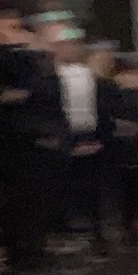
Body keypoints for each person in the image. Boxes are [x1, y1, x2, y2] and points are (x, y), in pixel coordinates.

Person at [0, 0, 67, 275]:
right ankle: (21, 262)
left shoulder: (31, 57)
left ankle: (37, 254)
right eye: (5, 21)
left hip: (40, 142)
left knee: (40, 204)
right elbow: (10, 96)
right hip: (15, 147)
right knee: (19, 207)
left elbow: (41, 92)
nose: (13, 26)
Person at [93, 44, 138, 244]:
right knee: (117, 189)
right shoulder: (107, 88)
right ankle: (120, 228)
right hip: (115, 148)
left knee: (132, 188)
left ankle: (130, 227)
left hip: (131, 147)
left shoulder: (130, 92)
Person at [54, 28, 104, 253]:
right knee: (66, 187)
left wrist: (96, 135)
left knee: (91, 186)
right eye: (65, 44)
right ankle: (69, 230)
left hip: (88, 132)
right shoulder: (52, 74)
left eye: (73, 44)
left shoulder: (87, 72)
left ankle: (94, 231)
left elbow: (96, 106)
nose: (70, 49)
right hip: (64, 135)